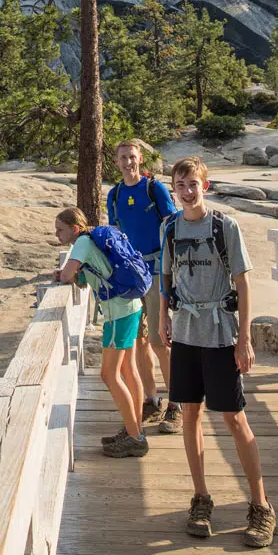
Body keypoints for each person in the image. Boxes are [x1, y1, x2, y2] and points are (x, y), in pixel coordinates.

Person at [159, 156, 276, 548]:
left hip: (221, 334)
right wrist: (163, 318)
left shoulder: (226, 226)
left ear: (204, 186)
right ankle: (200, 498)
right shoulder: (170, 228)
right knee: (189, 413)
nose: (187, 191)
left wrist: (245, 339)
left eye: (193, 184)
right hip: (186, 332)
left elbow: (243, 284)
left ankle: (260, 505)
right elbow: (166, 276)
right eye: (181, 185)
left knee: (233, 417)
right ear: (173, 189)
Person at [54, 207, 148, 458]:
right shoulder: (92, 238)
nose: (57, 235)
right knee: (128, 369)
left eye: (60, 230)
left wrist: (65, 275)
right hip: (131, 306)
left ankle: (136, 438)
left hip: (118, 313)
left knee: (109, 375)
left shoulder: (82, 243)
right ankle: (134, 429)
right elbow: (86, 276)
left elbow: (66, 275)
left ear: (74, 228)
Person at [108, 139, 182, 433]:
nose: (128, 162)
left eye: (133, 157)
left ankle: (177, 404)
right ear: (116, 162)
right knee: (136, 342)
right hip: (129, 277)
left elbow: (174, 224)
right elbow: (115, 234)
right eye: (123, 157)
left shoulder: (154, 189)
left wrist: (173, 270)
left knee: (160, 341)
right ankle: (152, 400)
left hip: (156, 273)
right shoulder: (114, 195)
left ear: (141, 160)